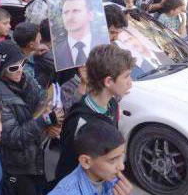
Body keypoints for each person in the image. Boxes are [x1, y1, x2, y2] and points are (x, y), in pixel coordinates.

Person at [0, 40, 59, 195]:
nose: (20, 70)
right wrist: (43, 122)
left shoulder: (26, 79)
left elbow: (40, 98)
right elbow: (13, 137)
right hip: (15, 163)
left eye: (23, 63)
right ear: (1, 69)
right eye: (13, 67)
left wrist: (50, 114)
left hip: (34, 155)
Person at [40, 120, 145, 195]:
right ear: (86, 161)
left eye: (121, 156)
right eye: (112, 160)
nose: (121, 166)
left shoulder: (114, 183)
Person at [55, 44, 134, 182]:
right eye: (126, 76)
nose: (130, 83)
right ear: (108, 81)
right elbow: (67, 167)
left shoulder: (112, 105)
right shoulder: (79, 121)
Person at [52, 0, 109, 70]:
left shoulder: (105, 47)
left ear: (90, 15)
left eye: (76, 11)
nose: (69, 17)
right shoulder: (56, 53)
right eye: (66, 12)